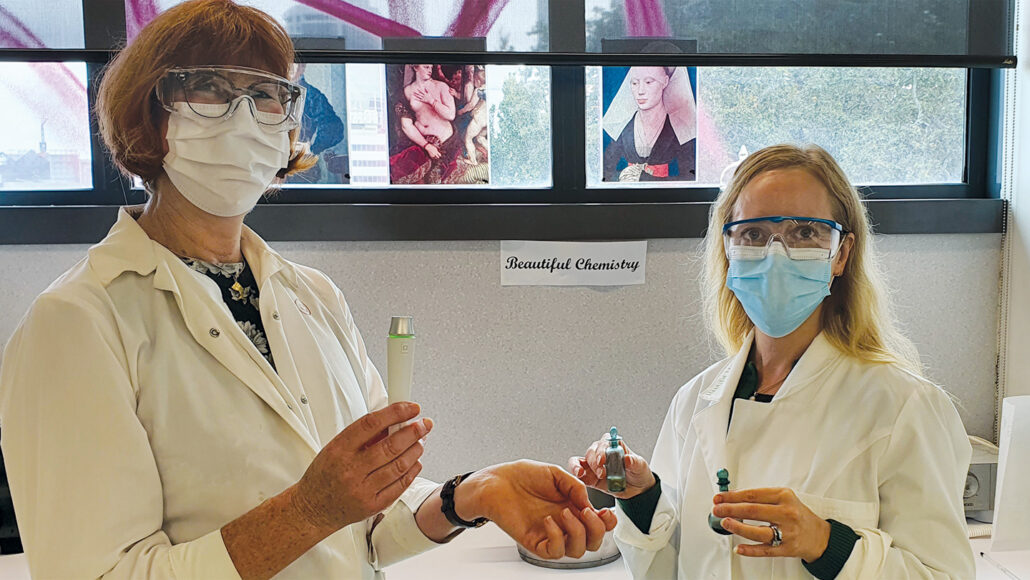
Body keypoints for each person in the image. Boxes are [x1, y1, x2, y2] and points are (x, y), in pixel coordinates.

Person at [0, 2, 616, 578]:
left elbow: (368, 528)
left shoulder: (312, 297)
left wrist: (472, 494)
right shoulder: (77, 322)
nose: (245, 114)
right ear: (150, 115)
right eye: (211, 88)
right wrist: (307, 512)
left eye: (267, 94)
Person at [571, 144, 974, 578]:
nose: (775, 254)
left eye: (805, 233)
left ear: (841, 253)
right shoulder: (694, 403)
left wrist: (826, 543)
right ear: (729, 250)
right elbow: (669, 569)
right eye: (754, 234)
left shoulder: (904, 407)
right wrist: (642, 497)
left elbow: (944, 573)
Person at [602, 66, 696, 183]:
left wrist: (646, 179)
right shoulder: (623, 128)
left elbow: (690, 178)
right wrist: (623, 177)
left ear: (665, 82)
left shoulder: (680, 129)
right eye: (634, 83)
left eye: (648, 82)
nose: (640, 91)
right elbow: (604, 173)